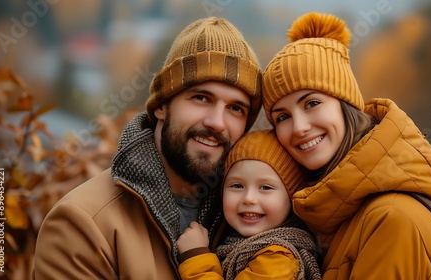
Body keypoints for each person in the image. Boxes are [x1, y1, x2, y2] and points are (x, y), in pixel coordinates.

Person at [33, 16, 262, 279]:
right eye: (201, 97)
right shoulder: (82, 225)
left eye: (235, 108)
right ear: (161, 106)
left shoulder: (254, 214)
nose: (216, 123)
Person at [262, 12, 431, 279]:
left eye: (312, 103)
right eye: (282, 117)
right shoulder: (339, 216)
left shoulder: (390, 221)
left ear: (346, 105)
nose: (298, 128)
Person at [175, 129, 321, 279]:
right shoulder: (234, 243)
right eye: (237, 186)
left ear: (291, 198)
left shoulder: (278, 258)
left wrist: (196, 255)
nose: (249, 198)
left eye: (265, 187)